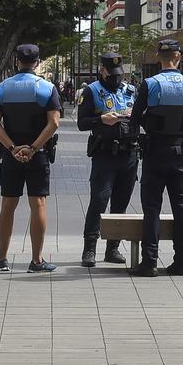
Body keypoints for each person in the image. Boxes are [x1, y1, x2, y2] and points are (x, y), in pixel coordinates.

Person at [0, 43, 62, 273]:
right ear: (37, 63)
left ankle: (1, 259)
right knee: (38, 203)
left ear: (16, 62)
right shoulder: (47, 88)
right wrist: (34, 147)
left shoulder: (2, 88)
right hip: (37, 156)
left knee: (8, 204)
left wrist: (12, 148)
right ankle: (37, 261)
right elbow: (54, 123)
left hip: (11, 156)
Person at [129, 39, 183, 277]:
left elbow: (135, 118)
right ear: (179, 57)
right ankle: (182, 260)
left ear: (158, 57)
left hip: (154, 152)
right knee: (181, 206)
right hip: (180, 153)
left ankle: (149, 262)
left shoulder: (151, 84)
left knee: (152, 208)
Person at [77, 52, 139, 268]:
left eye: (118, 74)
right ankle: (89, 249)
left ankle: (113, 248)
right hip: (104, 154)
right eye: (111, 73)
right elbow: (82, 123)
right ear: (101, 70)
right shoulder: (91, 91)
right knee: (99, 201)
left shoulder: (131, 90)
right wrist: (101, 120)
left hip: (129, 153)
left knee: (121, 204)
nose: (115, 78)